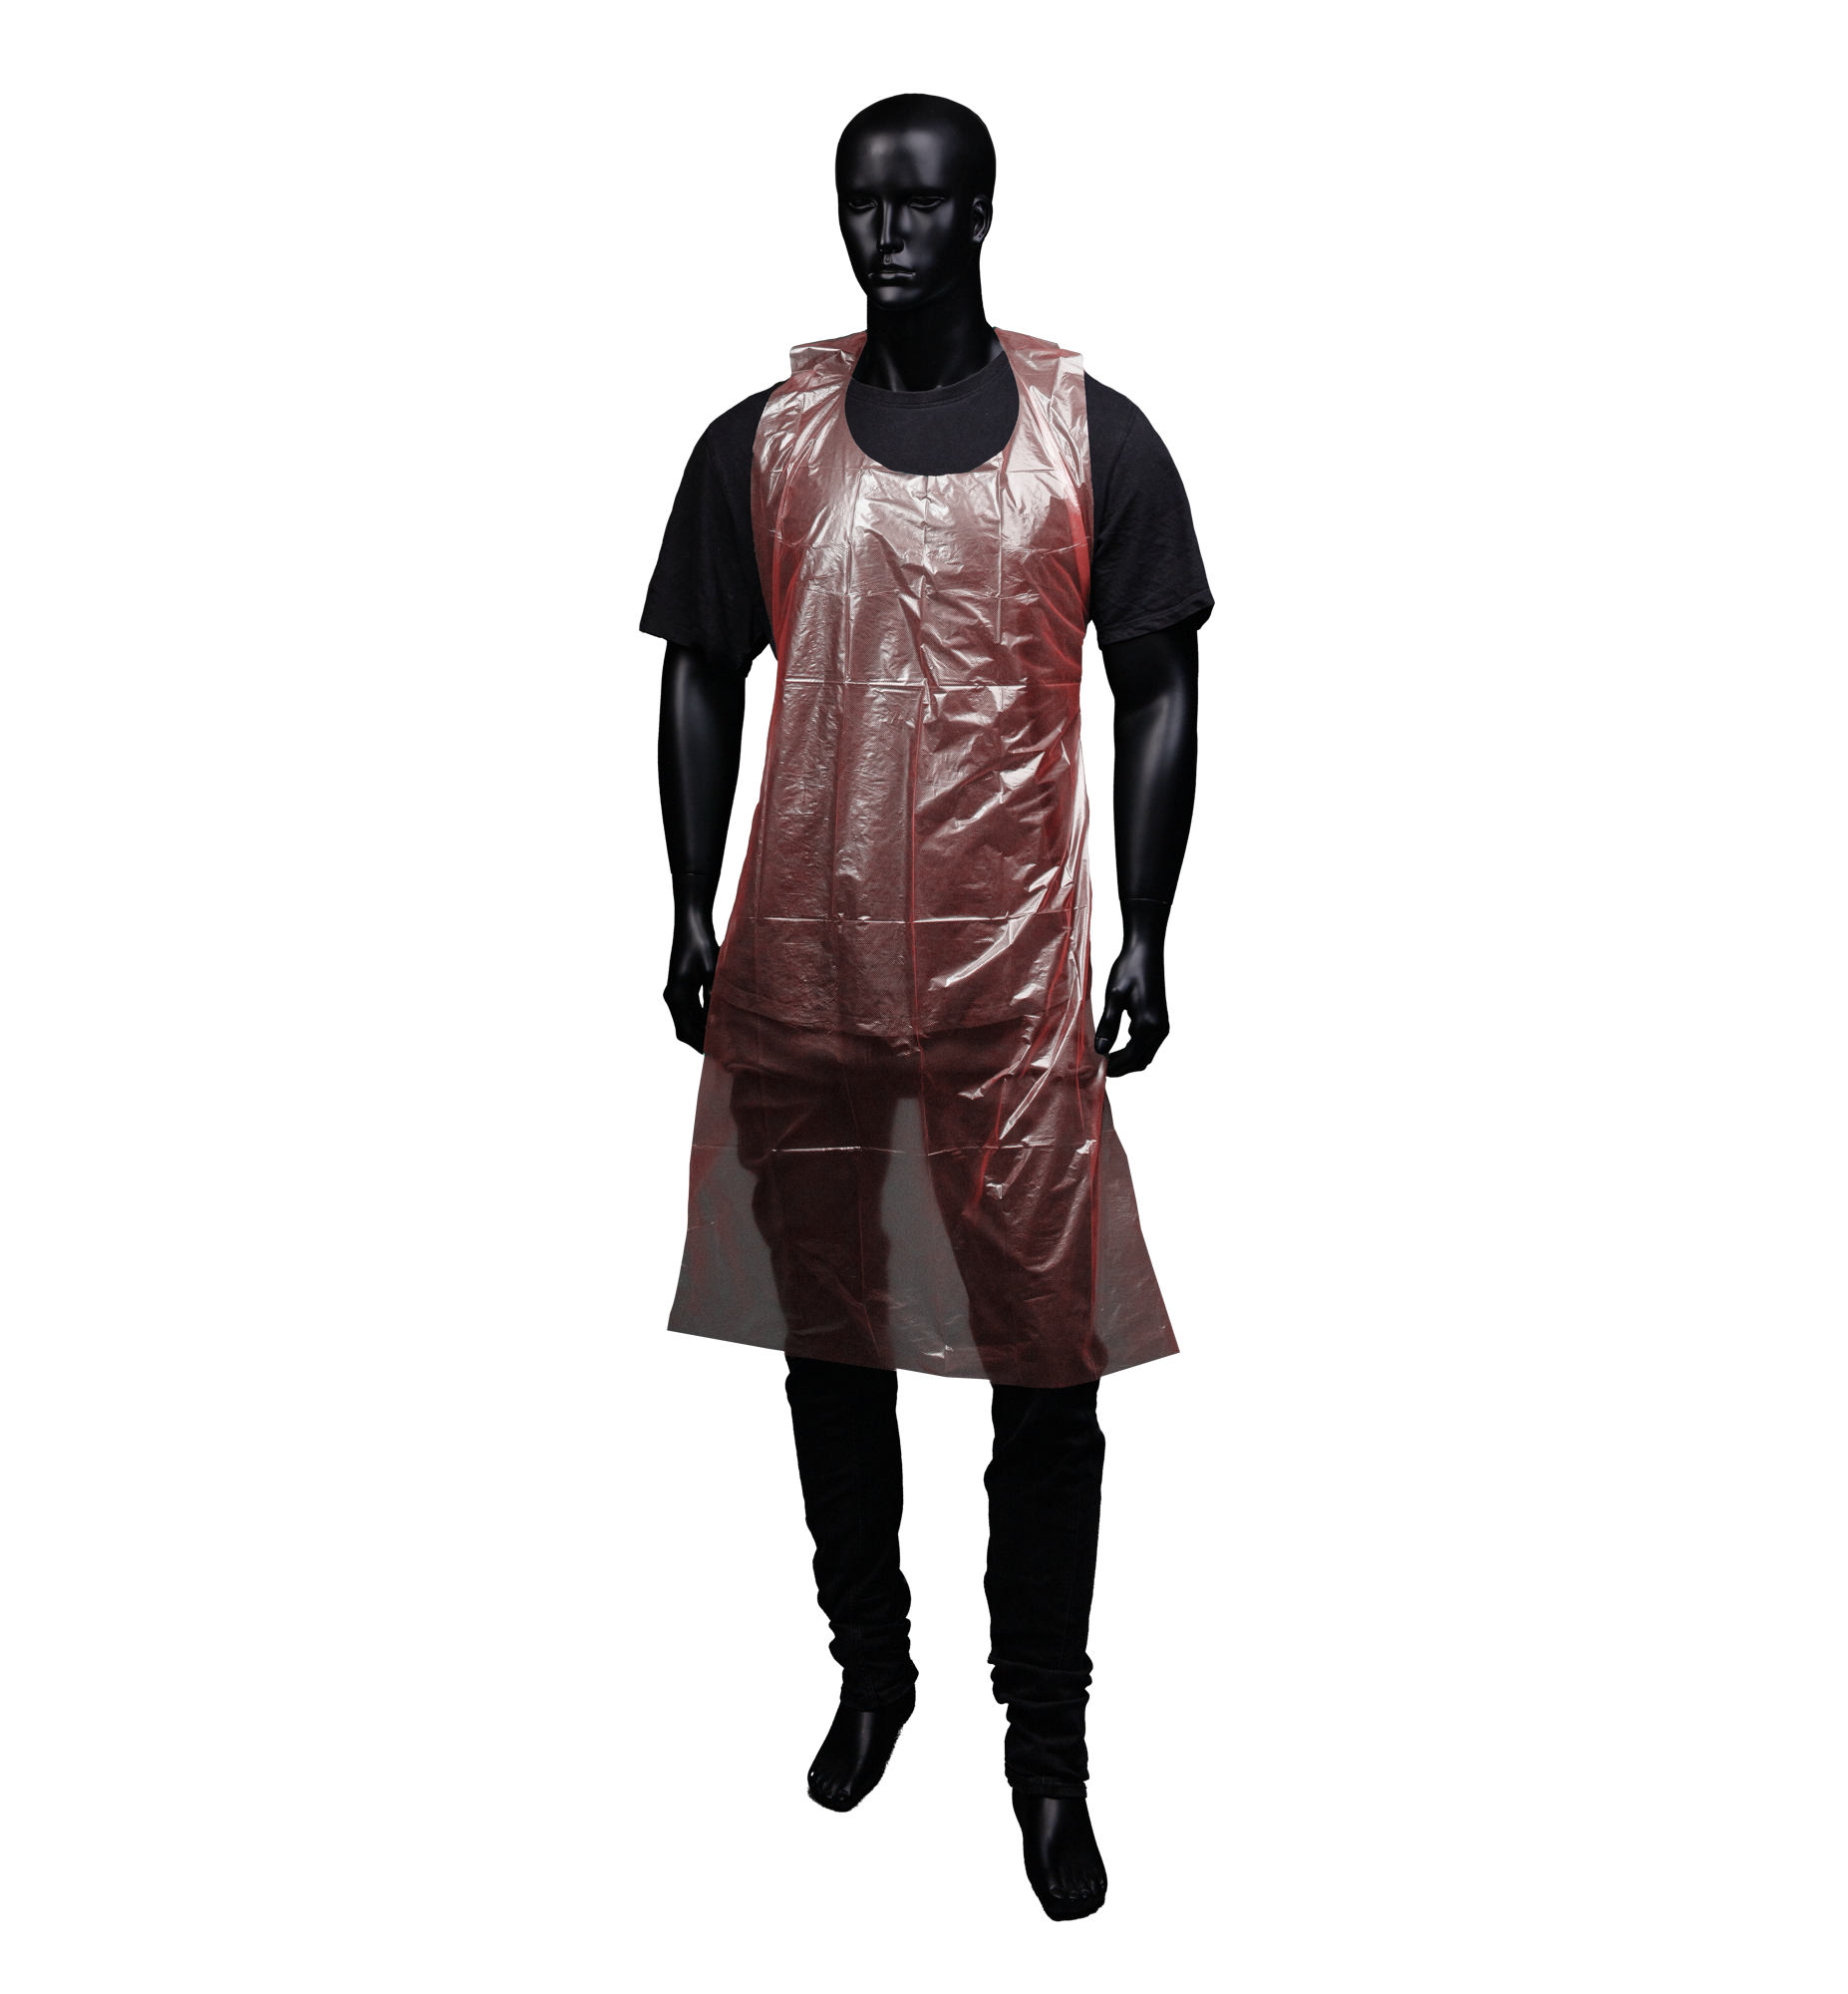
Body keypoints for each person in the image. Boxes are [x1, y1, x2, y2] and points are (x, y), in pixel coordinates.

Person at [644, 93, 1203, 1922]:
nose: (884, 236)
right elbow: (698, 664)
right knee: (831, 1344)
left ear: (980, 219)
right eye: (861, 206)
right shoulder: (767, 430)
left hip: (1014, 973)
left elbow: (1160, 680)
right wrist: (689, 900)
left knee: (1050, 1371)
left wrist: (1146, 928)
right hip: (803, 962)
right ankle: (874, 1671)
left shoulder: (1089, 427)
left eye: (920, 205)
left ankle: (1049, 1750)